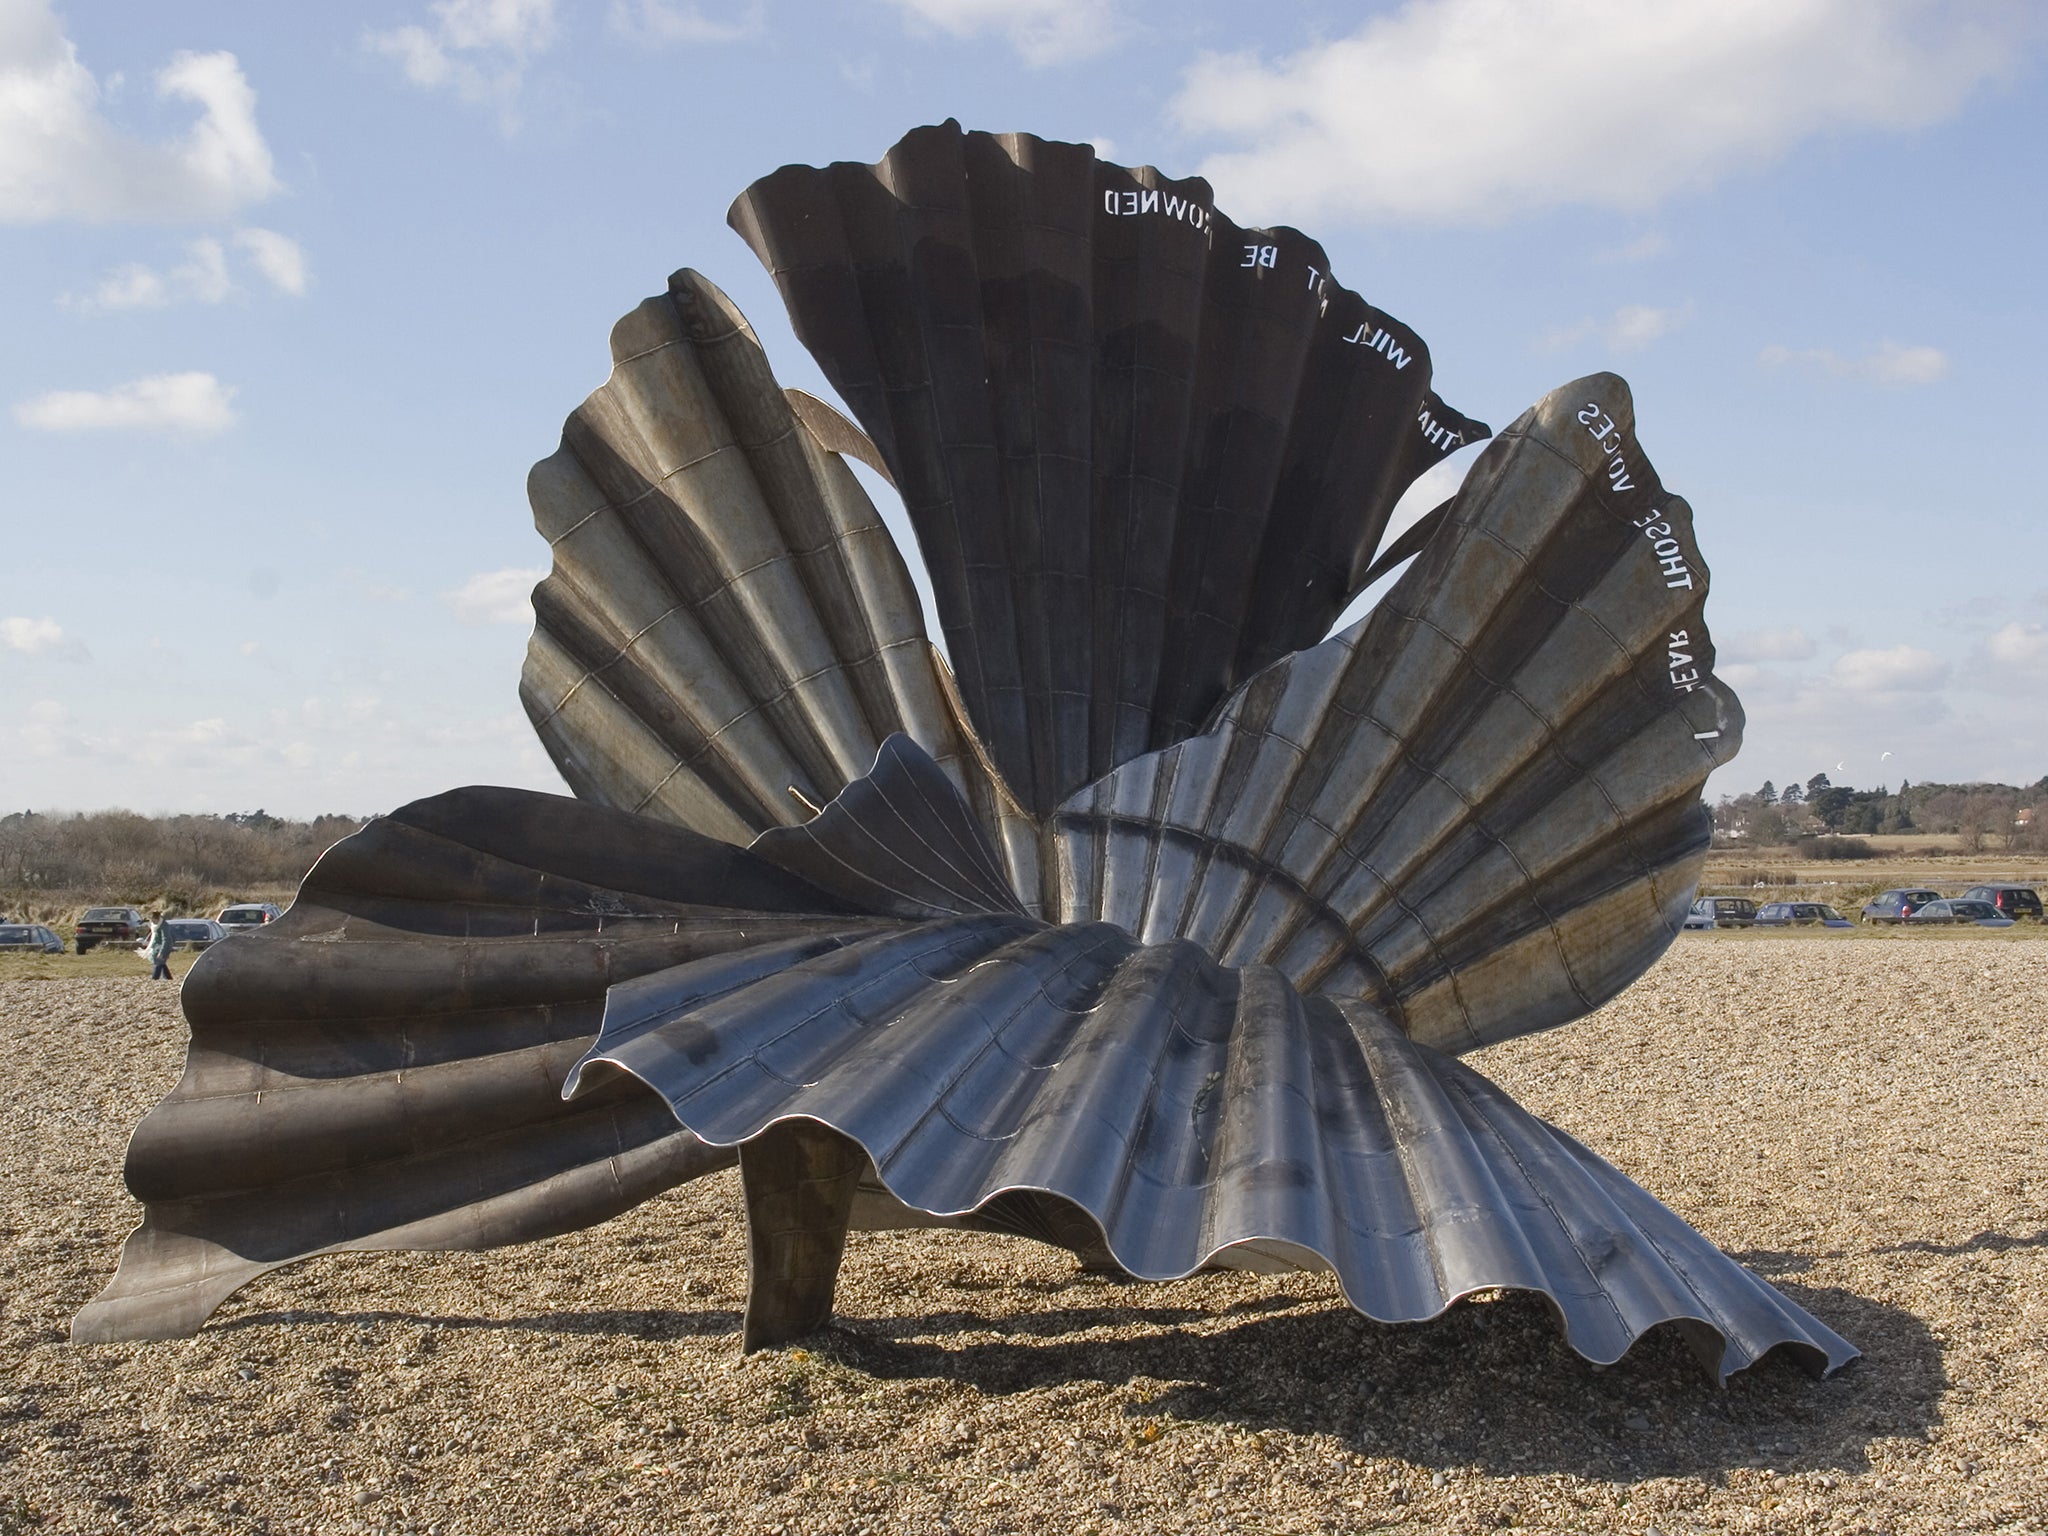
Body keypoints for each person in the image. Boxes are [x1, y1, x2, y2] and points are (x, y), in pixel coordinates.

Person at [146, 910, 173, 982]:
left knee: (158, 962)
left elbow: (166, 940)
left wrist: (162, 952)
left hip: (164, 946)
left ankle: (155, 978)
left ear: (157, 919)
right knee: (161, 963)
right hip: (156, 947)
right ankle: (168, 978)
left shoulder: (164, 926)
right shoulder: (155, 925)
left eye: (153, 920)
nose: (152, 922)